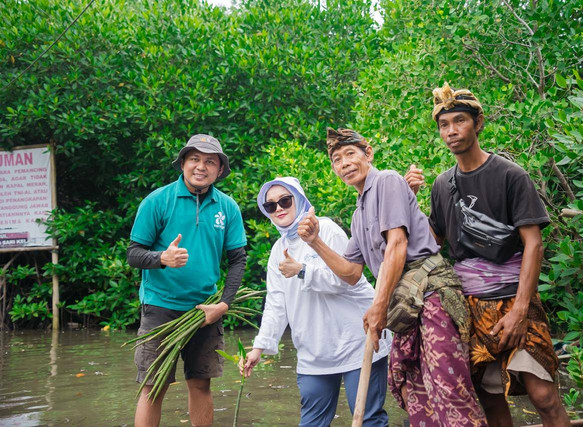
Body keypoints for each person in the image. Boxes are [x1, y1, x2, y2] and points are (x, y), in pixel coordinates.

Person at [404, 83, 570, 427]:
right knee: (489, 398)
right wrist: (408, 200)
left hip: (514, 298)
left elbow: (533, 244)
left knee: (544, 396)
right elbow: (432, 242)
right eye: (444, 125)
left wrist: (521, 310)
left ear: (478, 123)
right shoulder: (441, 184)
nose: (452, 131)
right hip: (467, 305)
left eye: (460, 121)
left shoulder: (511, 175)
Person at [297, 129, 487, 426]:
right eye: (337, 159)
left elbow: (397, 246)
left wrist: (378, 307)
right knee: (413, 390)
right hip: (405, 304)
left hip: (431, 294)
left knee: (448, 390)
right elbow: (350, 273)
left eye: (350, 154)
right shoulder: (358, 214)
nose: (344, 163)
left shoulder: (387, 180)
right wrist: (315, 242)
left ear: (368, 153)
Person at [240, 177, 391, 427]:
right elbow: (276, 305)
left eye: (284, 201)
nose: (278, 208)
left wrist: (301, 270)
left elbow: (346, 278)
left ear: (298, 200)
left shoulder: (327, 229)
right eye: (270, 206)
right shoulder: (278, 250)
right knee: (311, 423)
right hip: (315, 349)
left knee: (368, 419)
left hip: (357, 339)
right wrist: (259, 347)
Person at [126, 134, 247, 427]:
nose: (201, 166)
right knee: (154, 386)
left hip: (205, 310)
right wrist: (161, 259)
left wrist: (223, 305)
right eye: (194, 159)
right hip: (160, 307)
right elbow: (133, 254)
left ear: (220, 170)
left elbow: (237, 260)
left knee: (201, 383)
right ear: (183, 164)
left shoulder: (227, 207)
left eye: (210, 161)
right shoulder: (158, 201)